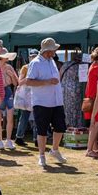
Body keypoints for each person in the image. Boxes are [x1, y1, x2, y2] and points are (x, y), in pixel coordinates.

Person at [27, 38, 67, 167]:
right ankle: (42, 156)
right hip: (41, 102)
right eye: (53, 49)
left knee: (60, 127)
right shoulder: (35, 63)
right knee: (42, 130)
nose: (55, 51)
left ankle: (54, 150)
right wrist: (47, 82)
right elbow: (28, 82)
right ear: (47, 50)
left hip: (56, 101)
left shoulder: (51, 61)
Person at [84, 46, 98, 158]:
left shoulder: (93, 65)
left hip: (91, 98)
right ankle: (89, 149)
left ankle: (94, 147)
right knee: (95, 124)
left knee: (93, 124)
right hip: (94, 99)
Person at [15, 49, 39, 147]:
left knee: (38, 117)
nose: (33, 58)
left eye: (35, 56)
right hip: (27, 96)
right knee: (25, 117)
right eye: (31, 56)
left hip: (37, 94)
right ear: (29, 58)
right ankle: (19, 137)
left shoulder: (39, 67)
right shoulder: (25, 68)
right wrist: (29, 78)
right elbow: (20, 81)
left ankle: (37, 139)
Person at [0, 50, 18, 150]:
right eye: (6, 56)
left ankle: (8, 140)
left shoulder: (9, 67)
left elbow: (16, 83)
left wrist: (12, 75)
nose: (8, 58)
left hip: (8, 91)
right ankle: (0, 141)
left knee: (10, 117)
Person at [60, 50, 83, 128]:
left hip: (63, 90)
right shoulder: (80, 66)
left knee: (66, 110)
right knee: (76, 110)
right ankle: (75, 128)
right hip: (75, 91)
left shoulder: (65, 64)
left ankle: (67, 127)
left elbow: (59, 76)